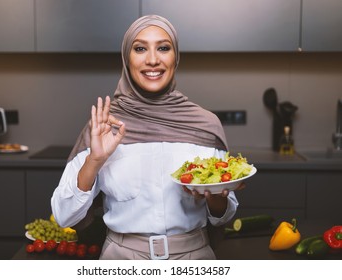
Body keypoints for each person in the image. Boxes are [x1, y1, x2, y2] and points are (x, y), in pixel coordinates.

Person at [51, 14, 243, 260]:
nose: (153, 60)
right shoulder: (103, 126)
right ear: (126, 59)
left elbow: (223, 216)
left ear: (175, 58)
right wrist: (94, 161)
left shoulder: (204, 125)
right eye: (140, 48)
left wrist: (216, 199)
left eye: (163, 48)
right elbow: (64, 215)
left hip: (194, 258)